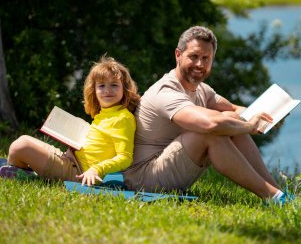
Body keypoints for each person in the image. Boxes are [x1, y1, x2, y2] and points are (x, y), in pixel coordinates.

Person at [123, 26, 292, 204]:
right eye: (194, 56)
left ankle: (279, 194)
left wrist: (267, 116)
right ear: (178, 55)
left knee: (231, 125)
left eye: (206, 58)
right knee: (211, 132)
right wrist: (250, 125)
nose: (200, 64)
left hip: (169, 172)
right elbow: (210, 125)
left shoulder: (202, 90)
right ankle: (272, 197)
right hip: (144, 179)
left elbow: (236, 110)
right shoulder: (166, 91)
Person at [0, 56, 141, 186]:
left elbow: (125, 157)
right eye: (101, 86)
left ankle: (25, 174)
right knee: (23, 139)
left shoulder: (123, 118)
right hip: (70, 159)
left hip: (79, 173)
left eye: (114, 85)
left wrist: (96, 169)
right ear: (94, 91)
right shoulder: (103, 114)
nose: (107, 90)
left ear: (125, 89)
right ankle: (23, 172)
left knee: (20, 146)